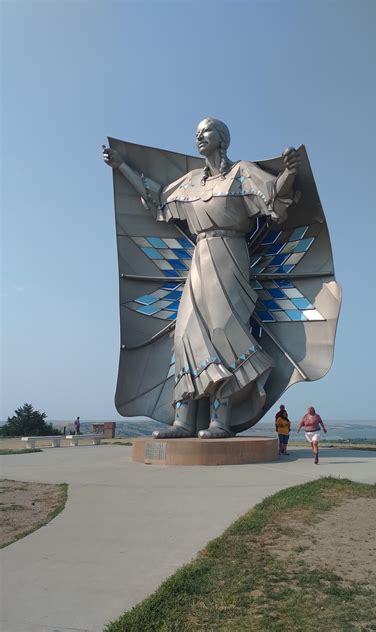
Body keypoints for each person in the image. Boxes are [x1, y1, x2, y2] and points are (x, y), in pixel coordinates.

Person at [103, 118, 300, 439]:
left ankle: (219, 422)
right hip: (200, 257)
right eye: (195, 132)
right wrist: (123, 166)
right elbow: (157, 199)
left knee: (223, 333)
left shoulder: (242, 173)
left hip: (230, 255)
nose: (198, 136)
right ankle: (183, 420)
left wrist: (289, 172)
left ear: (222, 139)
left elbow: (274, 198)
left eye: (205, 131)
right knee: (185, 336)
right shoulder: (192, 181)